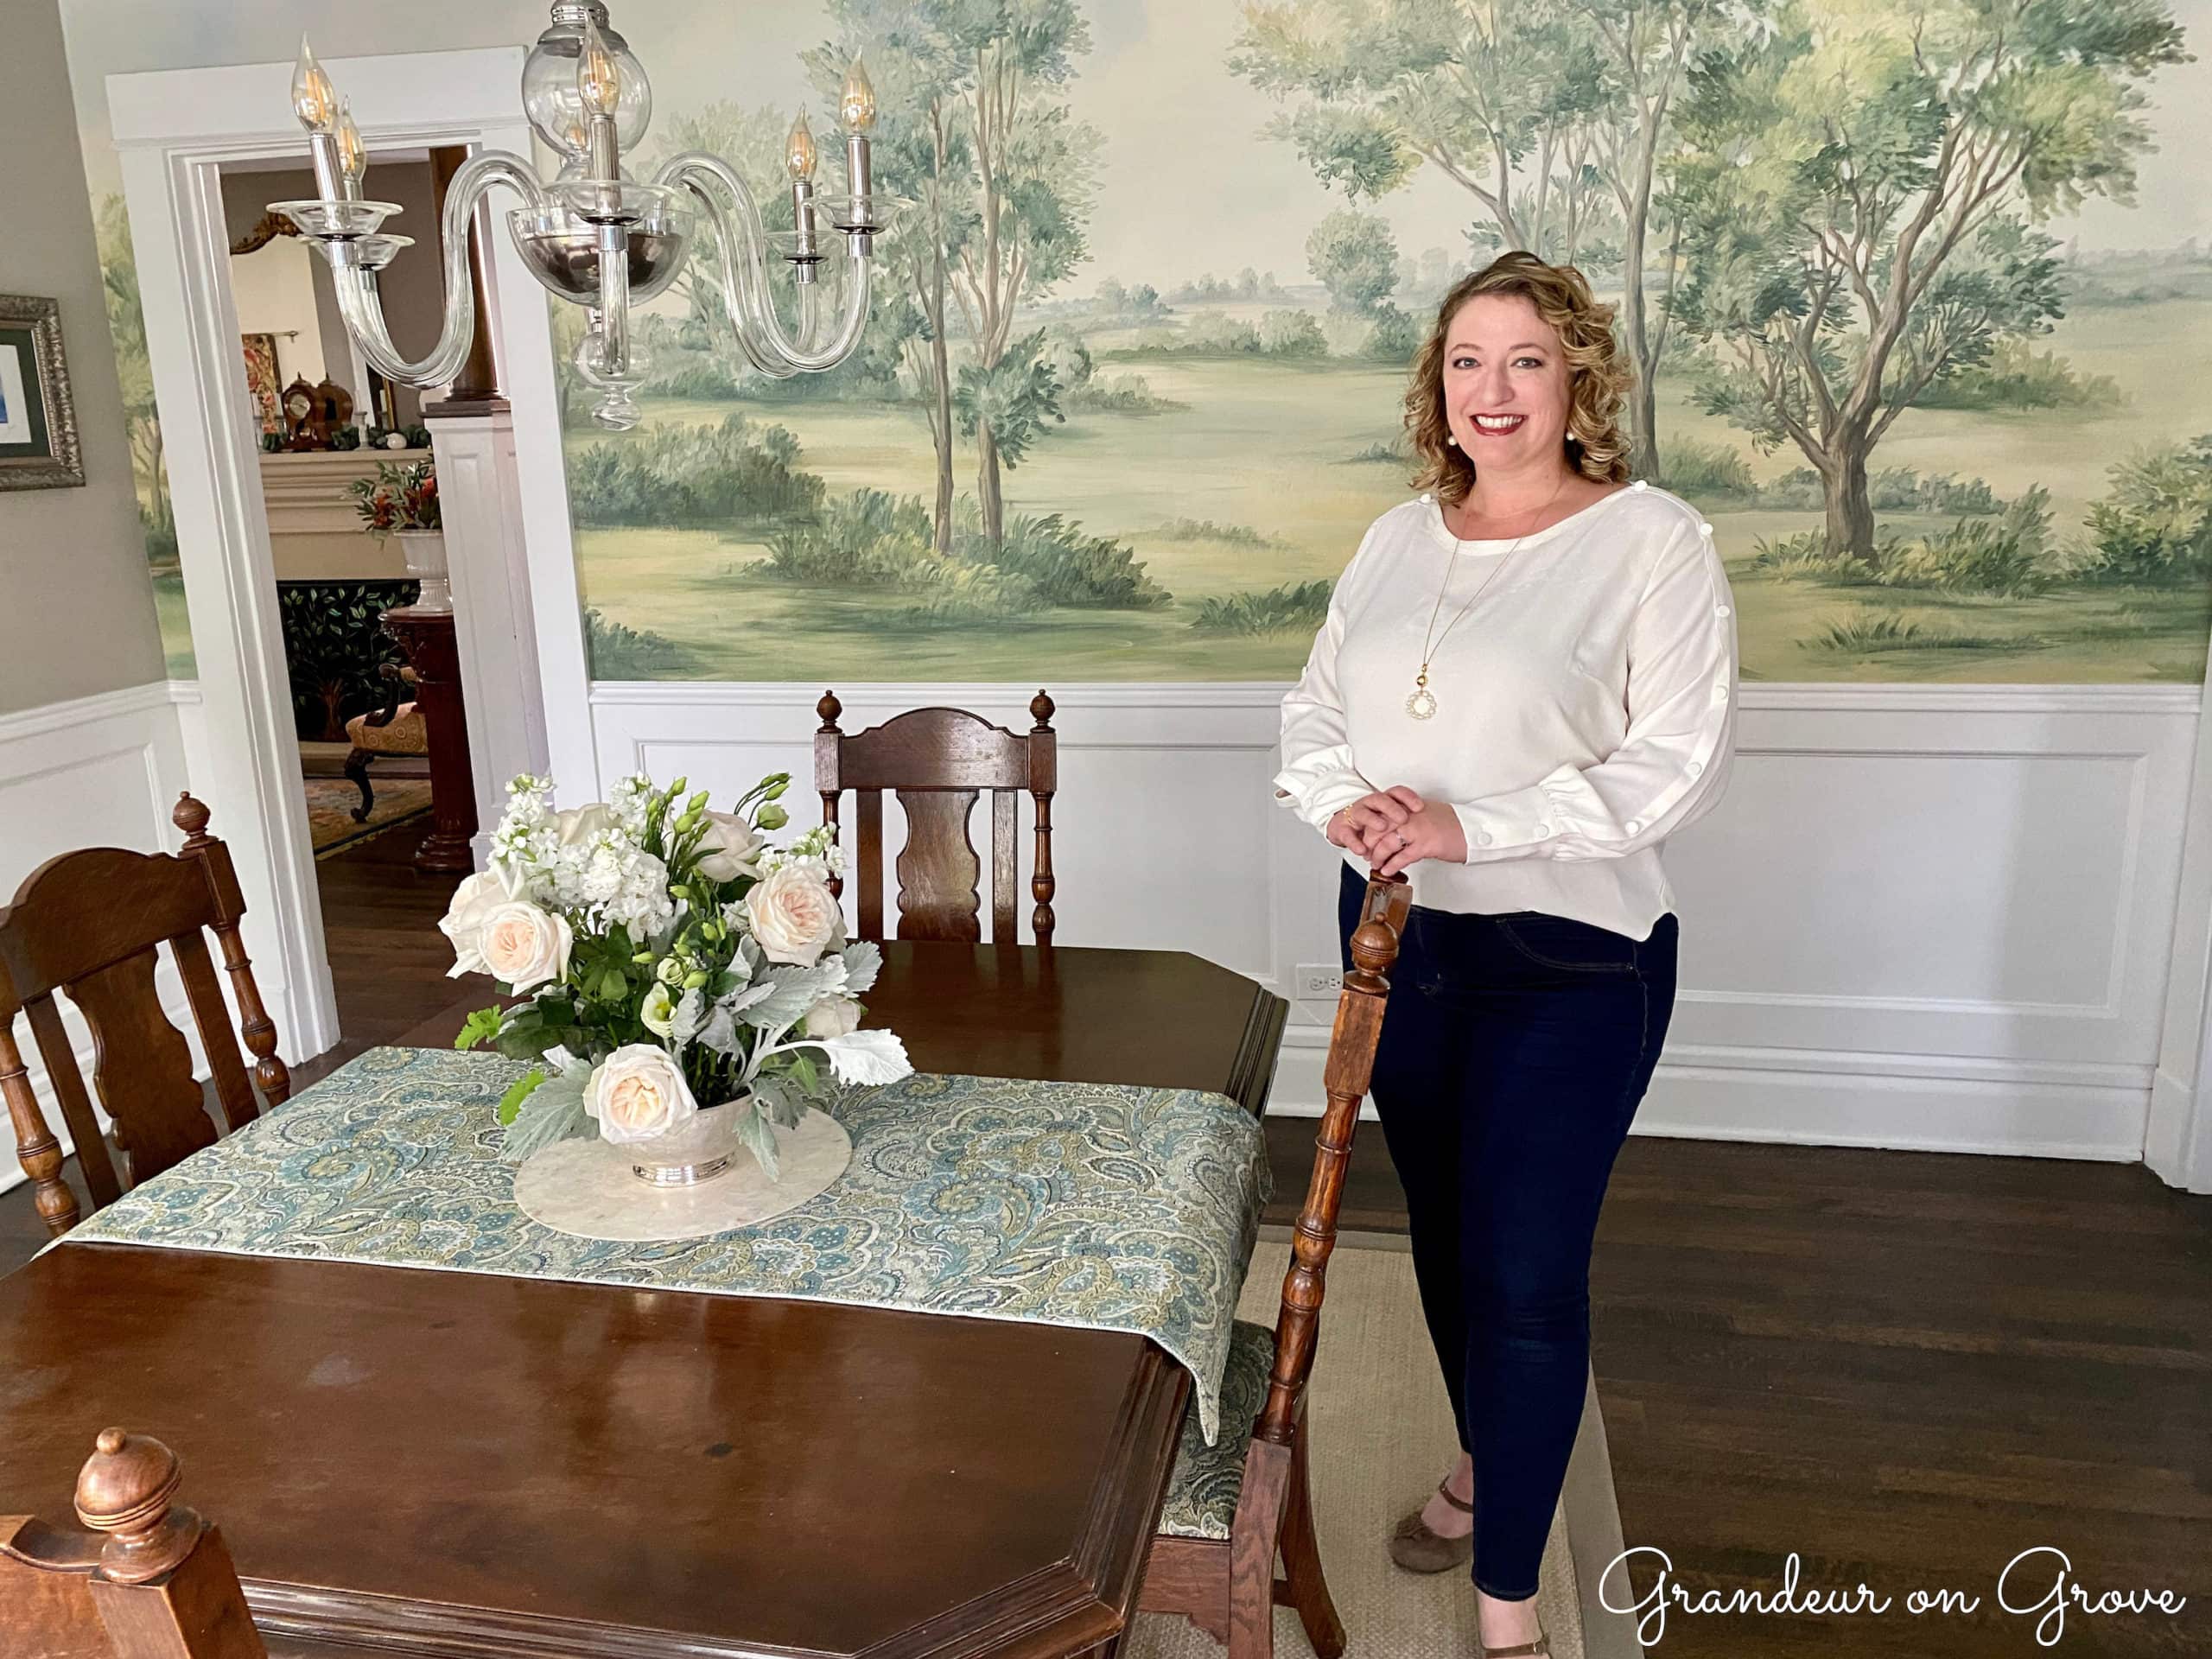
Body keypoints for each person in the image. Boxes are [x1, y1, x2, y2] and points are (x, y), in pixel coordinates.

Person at [1271, 251, 1739, 1657]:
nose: (1494, 390)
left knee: (1528, 1271)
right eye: (1468, 361)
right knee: (1448, 1241)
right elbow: (1314, 710)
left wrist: (1478, 825)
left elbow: (1675, 768)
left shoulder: (1655, 541)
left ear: (1578, 377)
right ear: (1439, 386)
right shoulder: (1396, 536)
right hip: (1397, 943)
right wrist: (1339, 803)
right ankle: (1488, 1463)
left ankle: (1511, 1615)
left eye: (1526, 360)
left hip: (1573, 958)